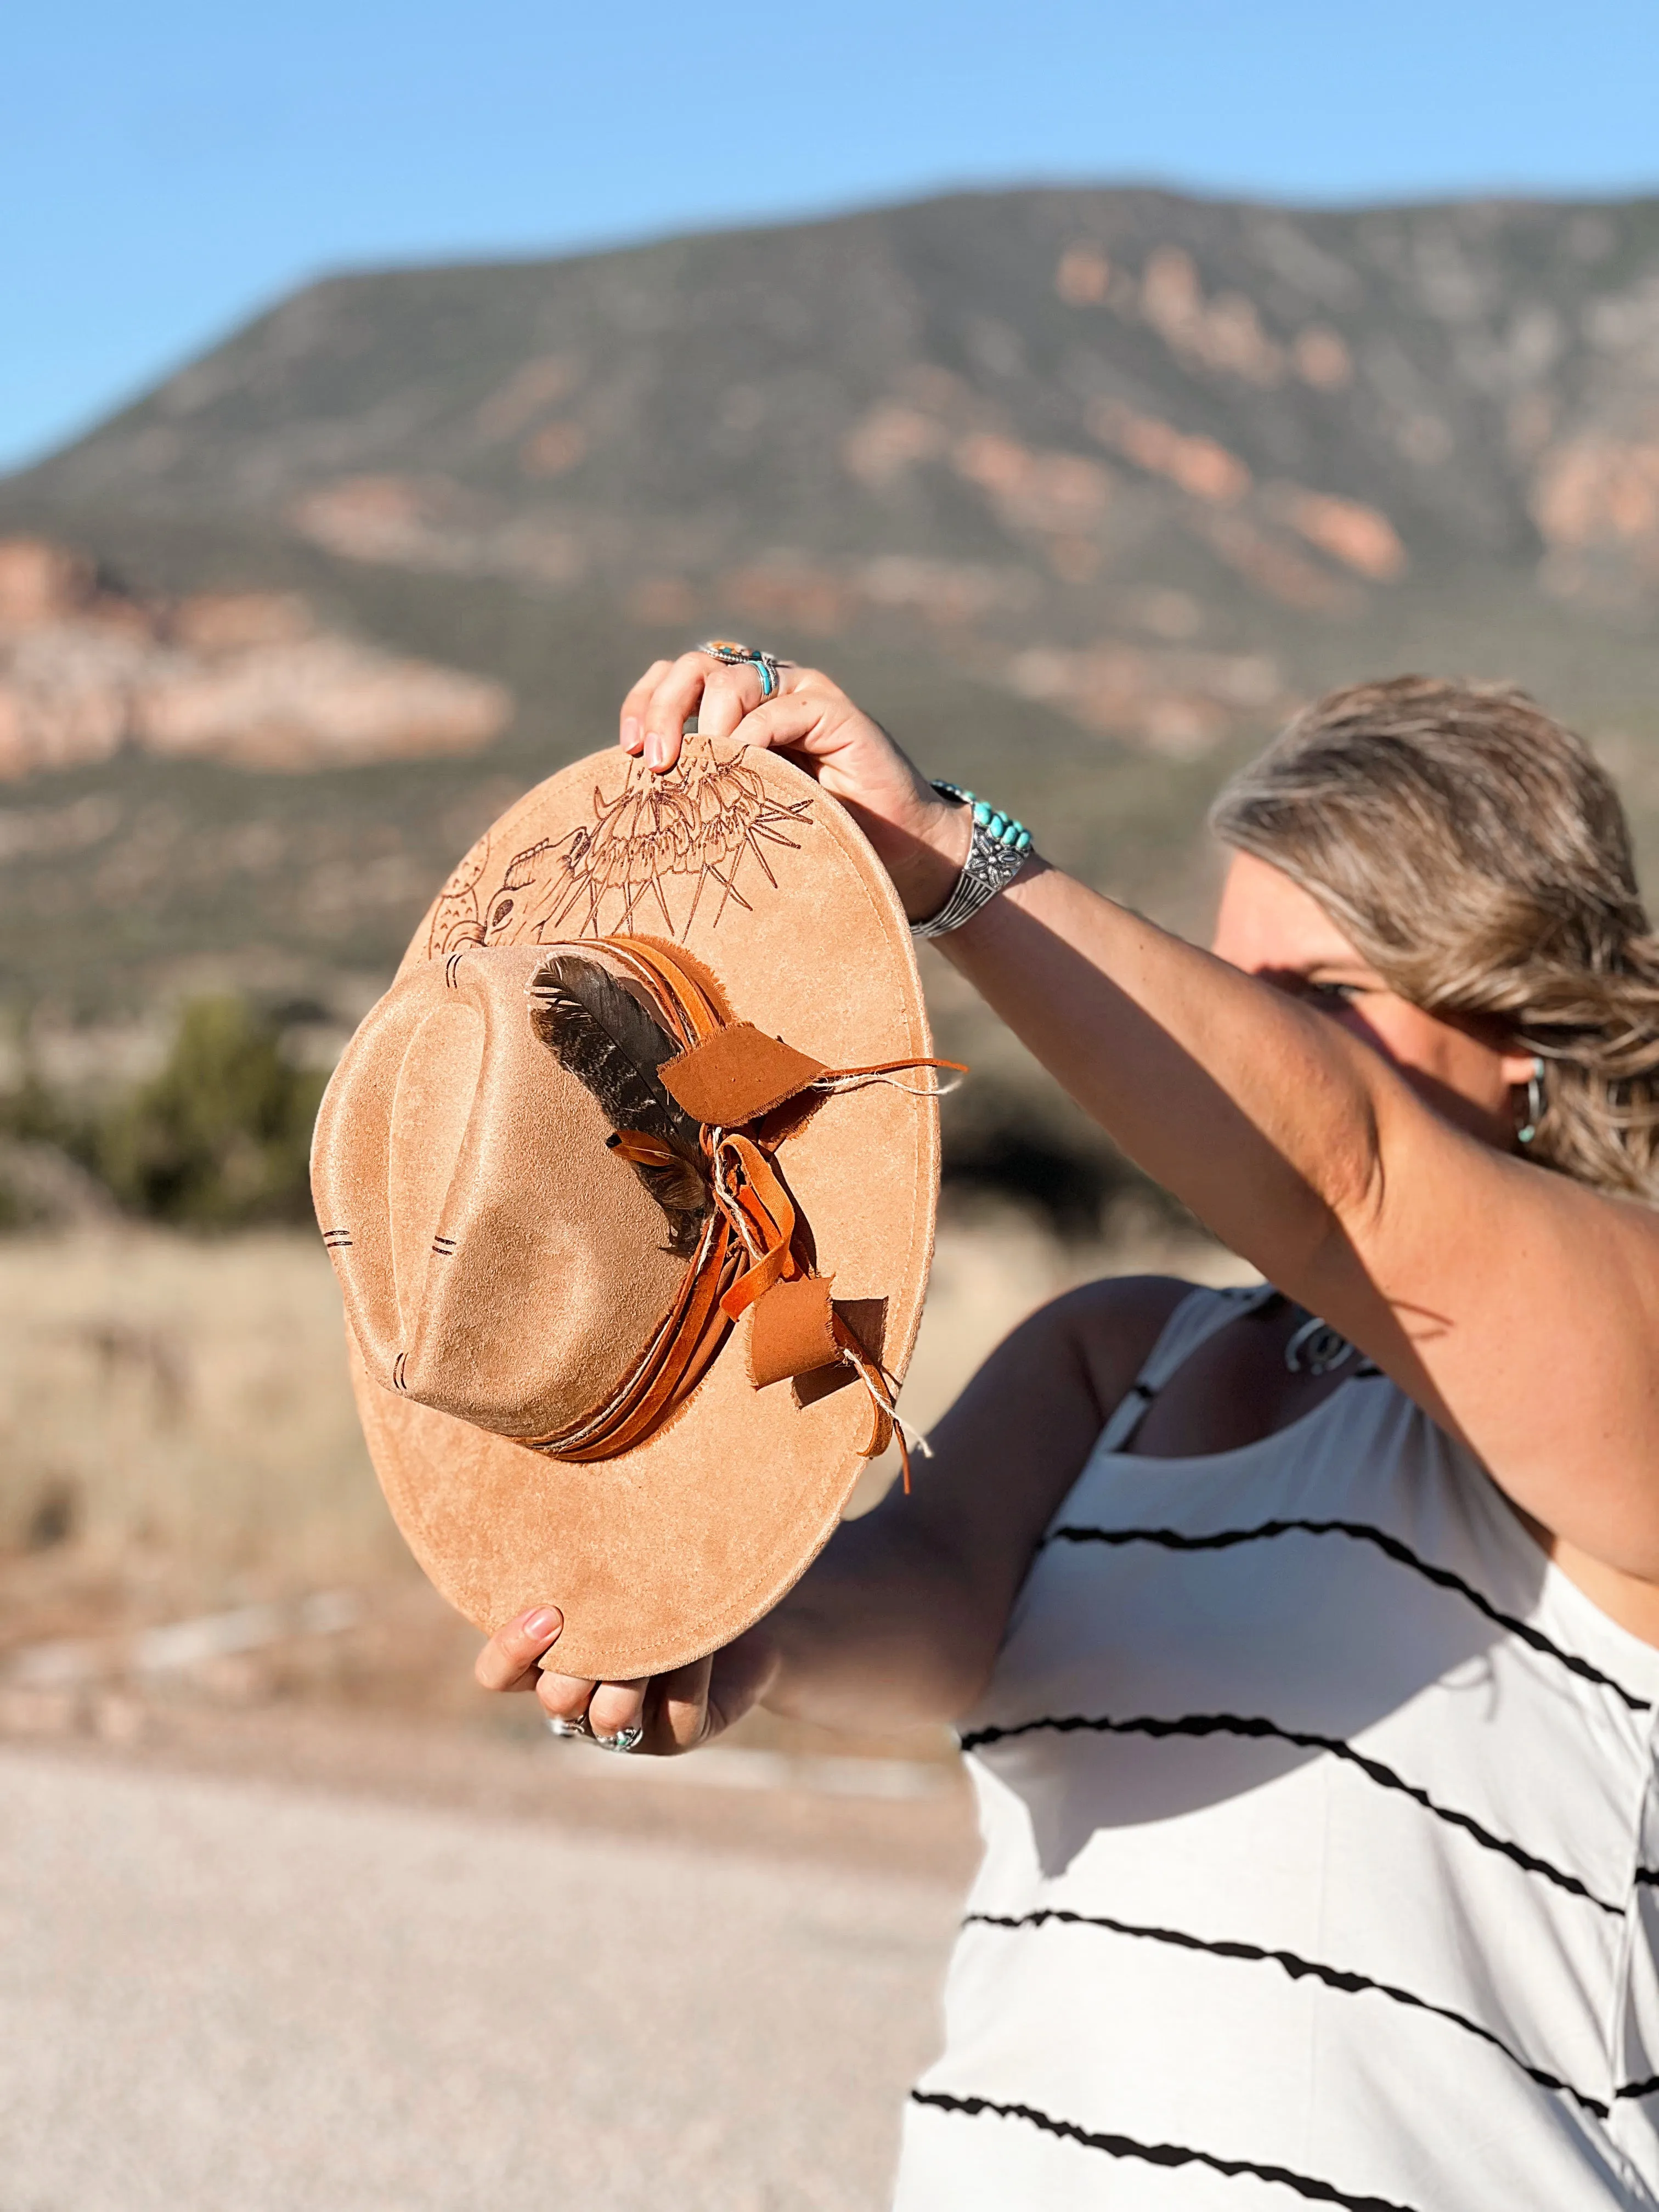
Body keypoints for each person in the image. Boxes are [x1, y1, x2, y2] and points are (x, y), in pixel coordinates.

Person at [477, 656, 1659, 2209]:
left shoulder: (1633, 1353)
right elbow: (927, 1600)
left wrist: (952, 858)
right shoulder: (1124, 1354)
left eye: (1317, 1005)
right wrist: (719, 1635)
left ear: (1526, 1036)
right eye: (1228, 987)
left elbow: (1346, 1172)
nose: (1251, 1044)